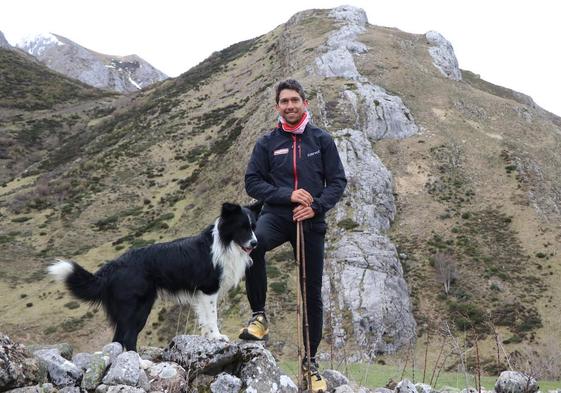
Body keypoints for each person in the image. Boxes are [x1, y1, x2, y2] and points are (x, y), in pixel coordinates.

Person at [241, 79, 347, 392]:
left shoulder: (321, 140)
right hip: (275, 215)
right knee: (252, 247)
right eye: (284, 101)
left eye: (295, 100)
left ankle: (310, 363)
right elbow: (252, 183)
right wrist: (288, 195)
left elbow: (338, 181)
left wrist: (315, 206)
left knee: (310, 292)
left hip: (311, 222)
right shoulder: (267, 142)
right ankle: (259, 318)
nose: (289, 106)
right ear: (277, 106)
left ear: (305, 103)